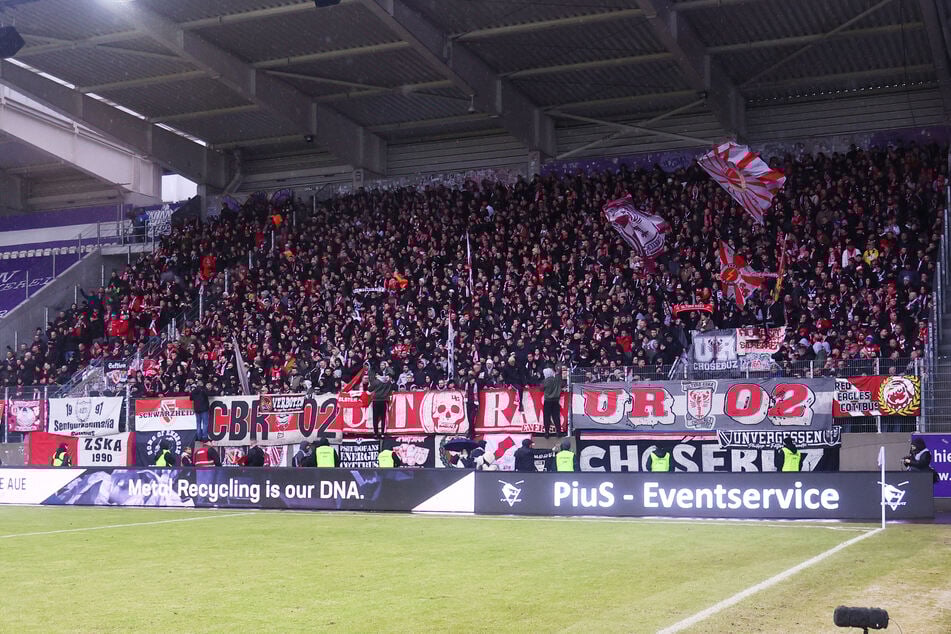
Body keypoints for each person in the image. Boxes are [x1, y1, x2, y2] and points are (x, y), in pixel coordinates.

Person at [369, 367, 394, 438]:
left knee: (375, 418)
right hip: (384, 401)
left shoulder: (376, 382)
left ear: (377, 375)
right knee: (383, 418)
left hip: (376, 401)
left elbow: (370, 389)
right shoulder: (388, 382)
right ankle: (383, 433)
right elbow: (391, 389)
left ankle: (376, 434)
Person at [541, 366, 563, 438]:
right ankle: (558, 432)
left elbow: (541, 388)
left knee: (546, 417)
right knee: (556, 417)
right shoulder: (557, 379)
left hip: (548, 401)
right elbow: (562, 384)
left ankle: (547, 433)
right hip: (556, 400)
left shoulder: (545, 381)